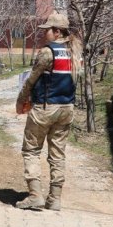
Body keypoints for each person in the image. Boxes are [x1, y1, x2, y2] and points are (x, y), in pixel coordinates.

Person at [14, 12, 82, 211]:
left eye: (48, 31)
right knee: (58, 154)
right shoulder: (75, 51)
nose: (45, 34)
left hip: (46, 108)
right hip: (67, 108)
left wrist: (21, 101)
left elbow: (31, 80)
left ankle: (35, 196)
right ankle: (55, 199)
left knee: (31, 150)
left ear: (57, 31)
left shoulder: (47, 52)